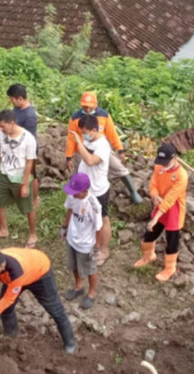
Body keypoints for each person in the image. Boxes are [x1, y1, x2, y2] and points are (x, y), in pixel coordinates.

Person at [0, 247, 77, 354]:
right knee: (6, 311)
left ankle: (70, 344)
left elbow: (8, 300)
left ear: (2, 266)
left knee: (55, 309)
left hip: (40, 273)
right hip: (14, 278)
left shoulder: (16, 270)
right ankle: (11, 339)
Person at [65, 92, 142, 204]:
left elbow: (112, 133)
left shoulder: (104, 115)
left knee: (119, 168)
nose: (86, 108)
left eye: (89, 106)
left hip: (101, 149)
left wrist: (120, 149)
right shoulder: (75, 118)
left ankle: (133, 191)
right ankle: (81, 199)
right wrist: (69, 156)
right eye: (84, 105)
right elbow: (71, 138)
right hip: (81, 151)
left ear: (96, 104)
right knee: (80, 175)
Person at [132, 142, 188, 282]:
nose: (163, 165)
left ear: (174, 158)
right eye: (161, 162)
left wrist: (156, 217)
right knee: (150, 233)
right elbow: (153, 184)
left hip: (174, 210)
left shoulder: (181, 175)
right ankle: (148, 256)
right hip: (160, 204)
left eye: (166, 162)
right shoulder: (159, 167)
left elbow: (170, 199)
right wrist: (154, 195)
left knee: (172, 240)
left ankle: (170, 268)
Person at [0, 109, 38, 247]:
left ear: (12, 123)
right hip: (4, 174)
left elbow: (29, 162)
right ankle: (3, 230)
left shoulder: (28, 139)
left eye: (3, 126)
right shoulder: (0, 134)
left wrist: (25, 184)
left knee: (28, 207)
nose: (0, 129)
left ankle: (33, 234)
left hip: (20, 176)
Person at [73, 113, 113, 265]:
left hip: (98, 189)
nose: (83, 135)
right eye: (82, 132)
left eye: (85, 132)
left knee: (103, 219)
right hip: (85, 188)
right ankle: (92, 244)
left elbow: (90, 161)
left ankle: (104, 250)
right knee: (89, 218)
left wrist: (79, 143)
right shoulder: (87, 139)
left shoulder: (102, 146)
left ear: (95, 129)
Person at [60, 173, 103, 310]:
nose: (72, 195)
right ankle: (78, 286)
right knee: (73, 265)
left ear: (84, 191)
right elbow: (70, 210)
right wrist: (65, 227)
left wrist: (96, 247)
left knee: (90, 269)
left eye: (76, 192)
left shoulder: (94, 205)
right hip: (72, 237)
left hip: (86, 243)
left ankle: (92, 292)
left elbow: (98, 227)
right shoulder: (72, 196)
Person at [7, 83, 40, 212]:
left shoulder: (29, 115)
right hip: (16, 146)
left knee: (31, 174)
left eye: (12, 100)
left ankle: (35, 199)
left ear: (20, 98)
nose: (12, 103)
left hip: (28, 149)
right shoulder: (17, 109)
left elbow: (30, 138)